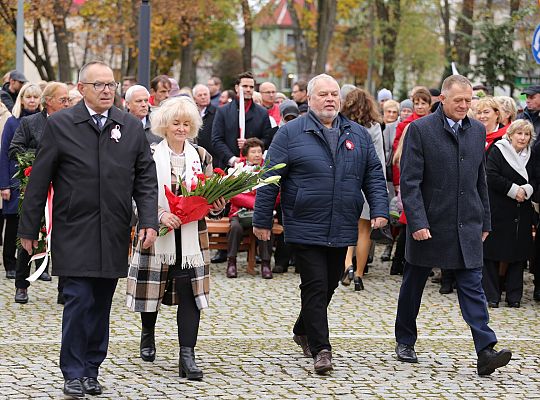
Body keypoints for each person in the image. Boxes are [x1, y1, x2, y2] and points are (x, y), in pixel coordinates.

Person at [17, 61, 158, 398]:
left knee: (100, 303)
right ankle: (73, 371)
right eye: (100, 85)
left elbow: (146, 178)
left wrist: (149, 221)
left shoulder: (130, 126)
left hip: (113, 227)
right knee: (78, 299)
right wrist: (29, 228)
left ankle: (92, 368)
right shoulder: (62, 124)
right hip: (74, 227)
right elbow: (40, 178)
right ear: (81, 89)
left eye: (111, 85)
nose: (108, 90)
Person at [253, 73, 388, 374]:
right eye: (323, 94)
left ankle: (302, 327)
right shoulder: (290, 133)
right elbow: (269, 178)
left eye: (334, 94)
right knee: (314, 284)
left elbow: (374, 176)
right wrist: (262, 219)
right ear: (310, 99)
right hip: (304, 222)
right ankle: (321, 349)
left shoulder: (357, 134)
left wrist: (380, 209)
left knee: (330, 281)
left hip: (342, 222)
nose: (330, 99)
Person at [394, 74, 512, 376]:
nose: (464, 106)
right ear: (442, 99)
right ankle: (405, 340)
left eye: (468, 101)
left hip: (467, 223)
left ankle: (485, 350)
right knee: (414, 284)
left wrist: (485, 219)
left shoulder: (476, 131)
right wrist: (418, 221)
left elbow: (479, 180)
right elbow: (410, 181)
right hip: (431, 223)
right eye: (458, 100)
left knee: (473, 286)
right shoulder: (420, 130)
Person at [126, 96, 225, 380]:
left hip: (192, 236)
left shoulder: (202, 156)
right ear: (164, 126)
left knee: (190, 292)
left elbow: (210, 194)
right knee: (153, 287)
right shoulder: (149, 154)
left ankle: (187, 355)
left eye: (186, 124)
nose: (181, 129)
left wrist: (217, 204)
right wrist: (157, 215)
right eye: (175, 123)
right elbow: (137, 194)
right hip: (156, 232)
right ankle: (148, 332)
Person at [9, 82, 70, 304]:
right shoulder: (30, 122)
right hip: (36, 188)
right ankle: (21, 285)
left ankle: (64, 289)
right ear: (49, 101)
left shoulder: (72, 122)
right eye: (63, 100)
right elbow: (15, 149)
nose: (67, 104)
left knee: (63, 236)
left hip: (64, 188)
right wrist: (40, 162)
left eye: (68, 100)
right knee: (28, 234)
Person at [483, 119, 535, 308]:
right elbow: (491, 175)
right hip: (499, 207)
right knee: (491, 252)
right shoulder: (498, 150)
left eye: (526, 134)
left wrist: (527, 190)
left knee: (518, 253)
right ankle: (491, 295)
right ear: (510, 134)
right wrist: (514, 190)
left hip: (522, 210)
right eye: (519, 133)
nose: (522, 137)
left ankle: (514, 296)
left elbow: (536, 176)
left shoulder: (532, 154)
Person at [340, 88, 386, 291]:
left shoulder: (340, 125)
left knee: (346, 227)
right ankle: (359, 274)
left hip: (346, 182)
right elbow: (379, 160)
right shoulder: (374, 127)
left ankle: (347, 263)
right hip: (367, 182)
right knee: (364, 231)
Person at [0, 83, 41, 280]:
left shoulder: (44, 121)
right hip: (16, 180)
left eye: (35, 97)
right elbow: (5, 154)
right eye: (28, 97)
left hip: (37, 180)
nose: (32, 100)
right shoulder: (12, 122)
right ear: (22, 99)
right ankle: (9, 262)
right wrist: (4, 184)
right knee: (14, 224)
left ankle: (38, 264)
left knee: (37, 223)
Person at [226, 138, 273, 279]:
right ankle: (231, 262)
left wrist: (259, 206)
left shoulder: (268, 170)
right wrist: (256, 203)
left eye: (259, 151)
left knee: (265, 224)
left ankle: (265, 263)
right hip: (239, 212)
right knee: (235, 228)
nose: (257, 155)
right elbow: (232, 194)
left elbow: (275, 195)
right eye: (253, 152)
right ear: (245, 154)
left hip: (262, 212)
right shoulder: (237, 169)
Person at [211, 71, 273, 170]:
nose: (248, 90)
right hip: (228, 168)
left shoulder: (262, 113)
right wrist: (232, 159)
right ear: (236, 88)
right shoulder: (223, 111)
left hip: (255, 168)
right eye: (245, 86)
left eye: (251, 87)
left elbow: (267, 139)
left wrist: (251, 144)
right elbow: (217, 140)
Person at [192, 83, 217, 161]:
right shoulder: (192, 113)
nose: (203, 97)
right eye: (200, 95)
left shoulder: (217, 112)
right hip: (196, 153)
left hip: (213, 154)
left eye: (205, 94)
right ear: (194, 98)